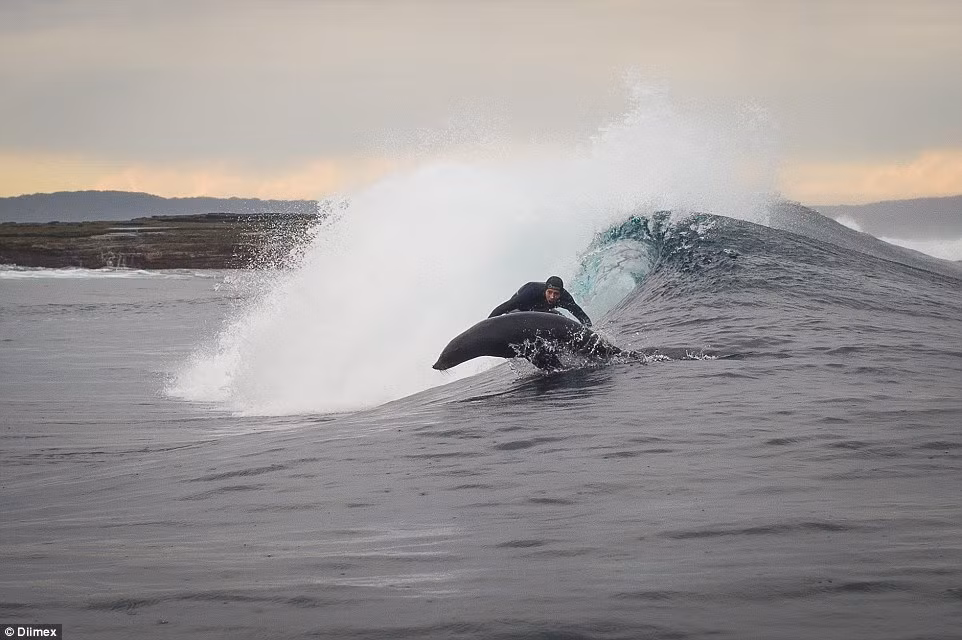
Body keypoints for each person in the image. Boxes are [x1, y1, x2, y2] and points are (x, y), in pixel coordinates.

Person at [488, 276, 592, 326]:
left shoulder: (565, 298)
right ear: (545, 290)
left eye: (556, 294)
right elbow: (504, 307)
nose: (552, 297)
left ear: (561, 293)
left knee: (560, 318)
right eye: (549, 292)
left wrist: (590, 330)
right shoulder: (531, 292)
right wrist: (488, 324)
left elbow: (580, 315)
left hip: (540, 311)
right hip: (518, 310)